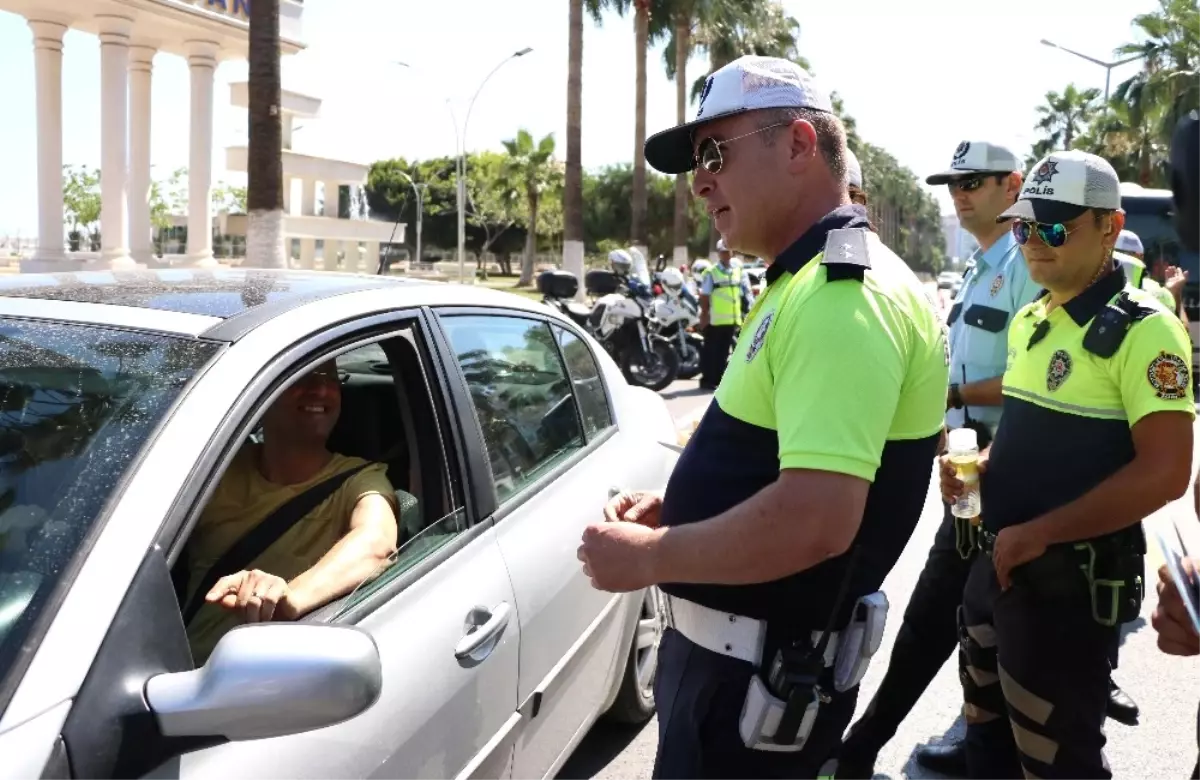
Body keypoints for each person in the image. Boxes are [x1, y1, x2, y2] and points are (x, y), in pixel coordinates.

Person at [577, 55, 949, 779]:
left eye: (714, 152)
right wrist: (681, 514)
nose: (699, 179)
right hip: (735, 673)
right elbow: (781, 463)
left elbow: (817, 520)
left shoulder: (843, 296)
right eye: (695, 162)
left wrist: (653, 557)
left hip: (751, 692)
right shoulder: (803, 279)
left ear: (800, 144)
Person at [941, 150, 1194, 779]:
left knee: (1059, 763)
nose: (1034, 243)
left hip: (1065, 594)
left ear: (1109, 226)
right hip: (995, 575)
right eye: (1025, 227)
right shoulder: (1034, 318)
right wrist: (981, 467)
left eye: (1055, 227)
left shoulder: (1146, 331)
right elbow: (1030, 437)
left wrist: (1044, 532)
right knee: (985, 750)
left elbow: (1167, 473)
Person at [837, 140, 1046, 779]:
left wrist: (949, 397)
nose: (959, 195)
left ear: (1012, 186)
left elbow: (1031, 379)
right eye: (953, 184)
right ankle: (965, 738)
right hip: (964, 465)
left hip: (1007, 469)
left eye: (974, 182)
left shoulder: (1025, 262)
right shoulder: (984, 267)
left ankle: (859, 748)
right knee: (966, 612)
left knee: (948, 608)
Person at [181, 361, 402, 663]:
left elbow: (376, 543)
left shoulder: (361, 479)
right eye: (302, 376)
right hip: (175, 667)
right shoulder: (212, 471)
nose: (321, 389)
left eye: (331, 378)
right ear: (263, 392)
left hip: (266, 680)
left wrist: (288, 597)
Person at [697, 236, 751, 389]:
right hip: (715, 320)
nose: (725, 255)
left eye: (727, 252)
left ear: (732, 253)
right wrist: (704, 315)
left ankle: (718, 380)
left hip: (731, 320)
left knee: (722, 352)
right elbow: (705, 295)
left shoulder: (736, 271)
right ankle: (707, 380)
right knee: (711, 351)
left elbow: (740, 294)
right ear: (719, 254)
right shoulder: (712, 272)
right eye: (722, 252)